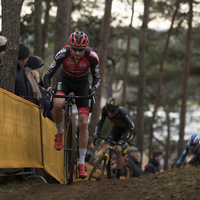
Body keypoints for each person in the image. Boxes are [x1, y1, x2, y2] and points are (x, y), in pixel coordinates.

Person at [43, 31, 100, 178]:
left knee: (83, 125)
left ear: (85, 48)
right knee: (58, 104)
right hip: (65, 81)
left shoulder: (92, 57)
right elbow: (47, 75)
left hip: (82, 84)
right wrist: (49, 89)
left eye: (80, 50)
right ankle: (60, 132)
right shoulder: (62, 53)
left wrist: (93, 89)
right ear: (70, 46)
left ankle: (81, 163)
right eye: (74, 49)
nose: (77, 53)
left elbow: (97, 78)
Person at [93, 97, 136, 179]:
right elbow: (100, 122)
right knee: (105, 148)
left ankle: (118, 174)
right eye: (108, 111)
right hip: (115, 129)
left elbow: (133, 130)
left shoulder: (124, 113)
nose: (109, 114)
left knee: (119, 150)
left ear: (117, 109)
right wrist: (96, 132)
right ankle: (108, 167)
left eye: (112, 112)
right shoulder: (105, 109)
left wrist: (127, 142)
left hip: (125, 131)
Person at [26, 55, 54, 121]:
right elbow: (47, 105)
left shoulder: (27, 78)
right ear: (38, 69)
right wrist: (48, 95)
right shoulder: (36, 85)